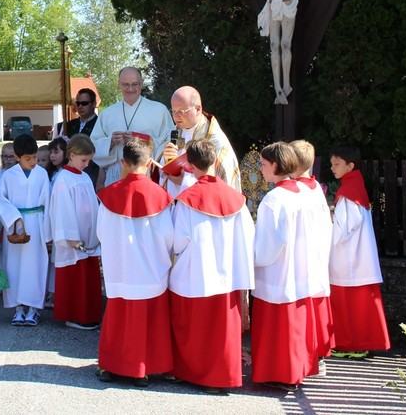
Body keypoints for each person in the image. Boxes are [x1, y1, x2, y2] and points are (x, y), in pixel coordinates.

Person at [168, 139, 255, 392]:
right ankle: (219, 378)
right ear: (216, 161)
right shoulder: (236, 199)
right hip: (227, 275)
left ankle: (189, 372)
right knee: (221, 330)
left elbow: (178, 241)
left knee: (193, 327)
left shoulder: (187, 200)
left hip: (196, 273)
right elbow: (248, 237)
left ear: (190, 166)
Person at [95, 136, 174, 386]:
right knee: (147, 322)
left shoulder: (109, 195)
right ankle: (144, 368)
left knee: (117, 319)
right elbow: (168, 236)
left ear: (123, 162)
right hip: (150, 269)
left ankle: (110, 366)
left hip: (120, 267)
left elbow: (101, 233)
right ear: (149, 163)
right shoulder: (160, 195)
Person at [252, 141, 328, 389]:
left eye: (263, 164)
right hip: (302, 267)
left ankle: (281, 374)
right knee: (296, 326)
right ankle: (298, 370)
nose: (261, 169)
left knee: (278, 327)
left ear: (275, 166)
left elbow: (267, 247)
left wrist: (251, 257)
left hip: (278, 272)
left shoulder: (274, 199)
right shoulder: (305, 193)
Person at [328, 144, 390, 357]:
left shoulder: (347, 192)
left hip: (349, 258)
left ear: (350, 166)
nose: (332, 168)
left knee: (348, 304)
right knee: (361, 304)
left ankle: (349, 344)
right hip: (359, 256)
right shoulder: (355, 186)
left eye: (337, 164)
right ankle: (359, 343)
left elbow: (343, 230)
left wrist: (329, 217)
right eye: (332, 164)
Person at [0, 134, 50, 327]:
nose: (33, 162)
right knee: (14, 266)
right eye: (28, 158)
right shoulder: (8, 176)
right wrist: (14, 218)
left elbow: (48, 202)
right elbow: (1, 200)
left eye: (35, 157)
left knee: (36, 265)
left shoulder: (42, 174)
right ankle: (18, 308)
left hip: (37, 223)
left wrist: (48, 232)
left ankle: (33, 308)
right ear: (17, 157)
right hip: (16, 225)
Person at [48, 134, 102, 330]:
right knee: (76, 279)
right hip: (74, 240)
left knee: (89, 279)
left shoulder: (84, 176)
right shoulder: (63, 179)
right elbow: (62, 210)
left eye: (89, 161)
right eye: (84, 160)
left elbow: (92, 205)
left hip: (89, 238)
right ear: (71, 155)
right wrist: (71, 238)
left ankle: (90, 315)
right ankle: (75, 316)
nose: (87, 165)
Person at [290, 139, 336, 364]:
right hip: (317, 252)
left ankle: (310, 357)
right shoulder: (316, 187)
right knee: (317, 304)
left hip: (302, 254)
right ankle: (319, 355)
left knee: (304, 307)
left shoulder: (296, 191)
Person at [90, 67, 173, 184]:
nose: (130, 89)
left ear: (141, 83)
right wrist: (110, 142)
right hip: (116, 174)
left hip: (146, 172)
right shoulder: (107, 113)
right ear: (119, 84)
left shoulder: (159, 110)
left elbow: (169, 143)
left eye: (135, 84)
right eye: (125, 84)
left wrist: (142, 139)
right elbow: (92, 146)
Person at [161, 86, 241, 193]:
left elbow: (224, 185)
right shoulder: (175, 132)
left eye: (181, 111)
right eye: (173, 111)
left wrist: (184, 181)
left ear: (198, 109)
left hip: (204, 200)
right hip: (176, 200)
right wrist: (166, 160)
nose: (176, 116)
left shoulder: (215, 141)